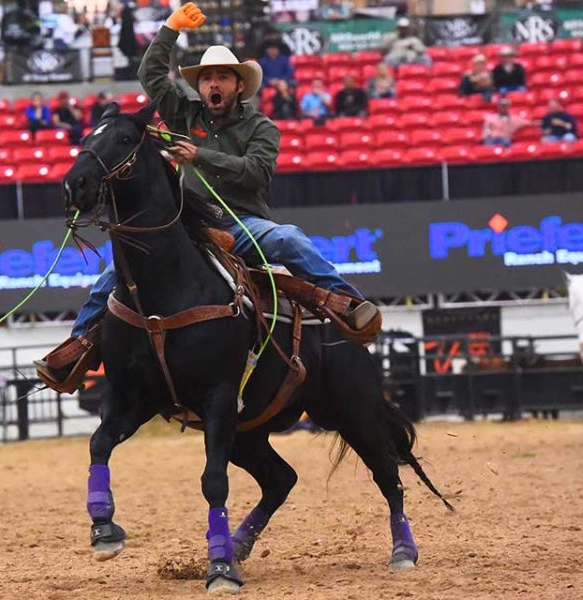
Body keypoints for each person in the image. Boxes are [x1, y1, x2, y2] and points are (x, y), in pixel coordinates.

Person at [35, 1, 377, 389]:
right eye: (207, 79)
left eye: (222, 78)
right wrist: (170, 27)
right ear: (199, 86)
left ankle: (347, 304)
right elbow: (150, 74)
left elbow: (255, 173)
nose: (213, 84)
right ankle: (79, 346)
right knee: (114, 272)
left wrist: (201, 155)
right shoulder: (186, 114)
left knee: (288, 238)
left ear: (238, 85)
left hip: (243, 224)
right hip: (188, 228)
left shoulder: (262, 127)